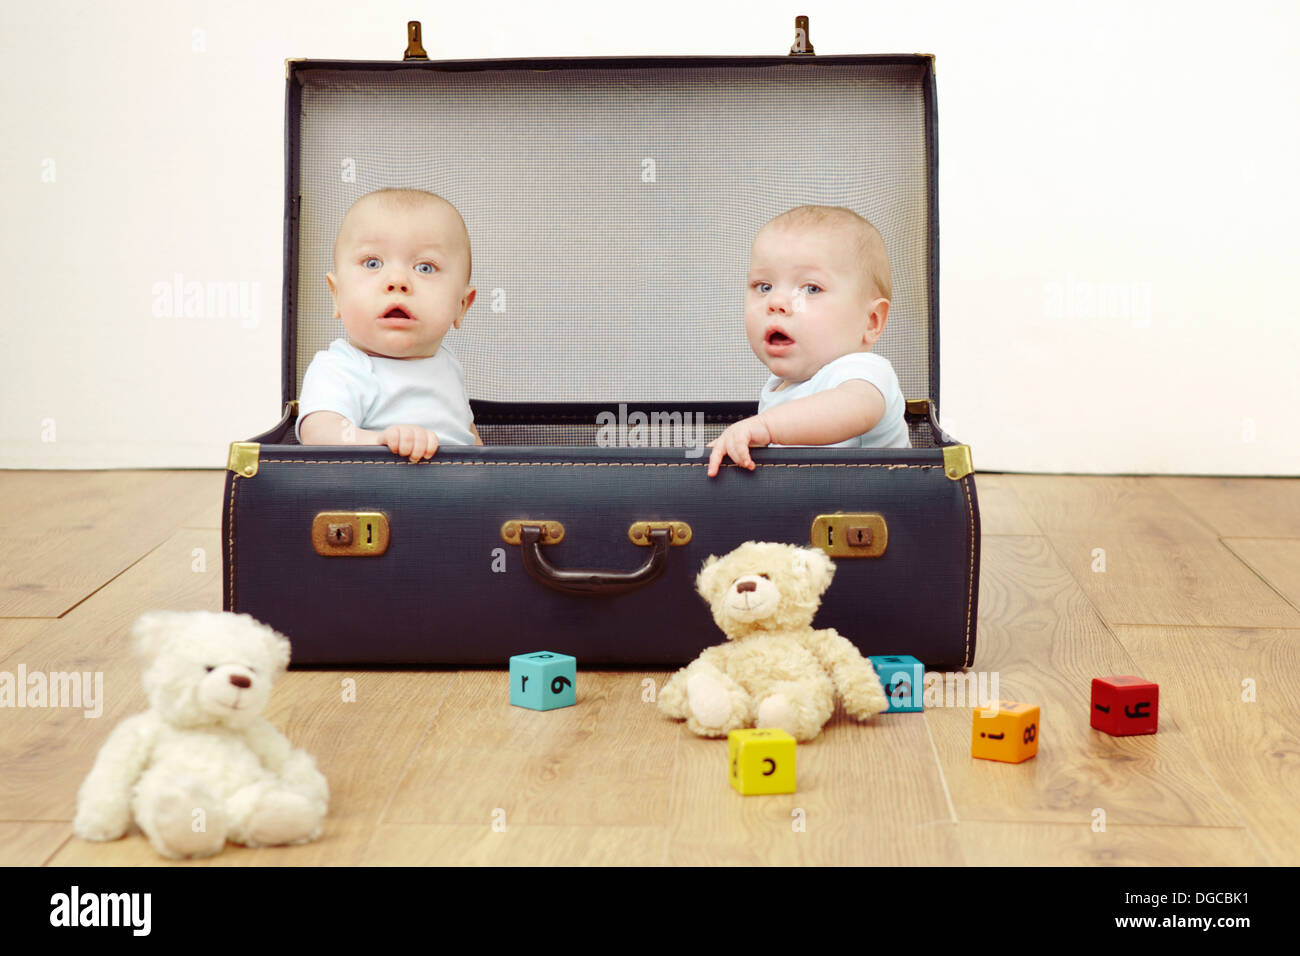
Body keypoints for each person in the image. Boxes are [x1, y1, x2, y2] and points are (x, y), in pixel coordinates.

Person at [706, 205, 910, 477]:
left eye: (811, 289)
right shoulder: (780, 386)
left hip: (880, 513)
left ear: (871, 320)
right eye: (764, 286)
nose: (776, 302)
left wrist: (765, 428)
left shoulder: (863, 372)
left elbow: (851, 408)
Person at [296, 188, 480, 461]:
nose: (397, 281)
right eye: (372, 263)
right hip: (380, 496)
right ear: (337, 295)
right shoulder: (341, 367)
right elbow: (318, 432)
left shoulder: (448, 364)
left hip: (462, 496)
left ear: (461, 306)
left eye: (425, 267)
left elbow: (466, 433)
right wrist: (379, 440)